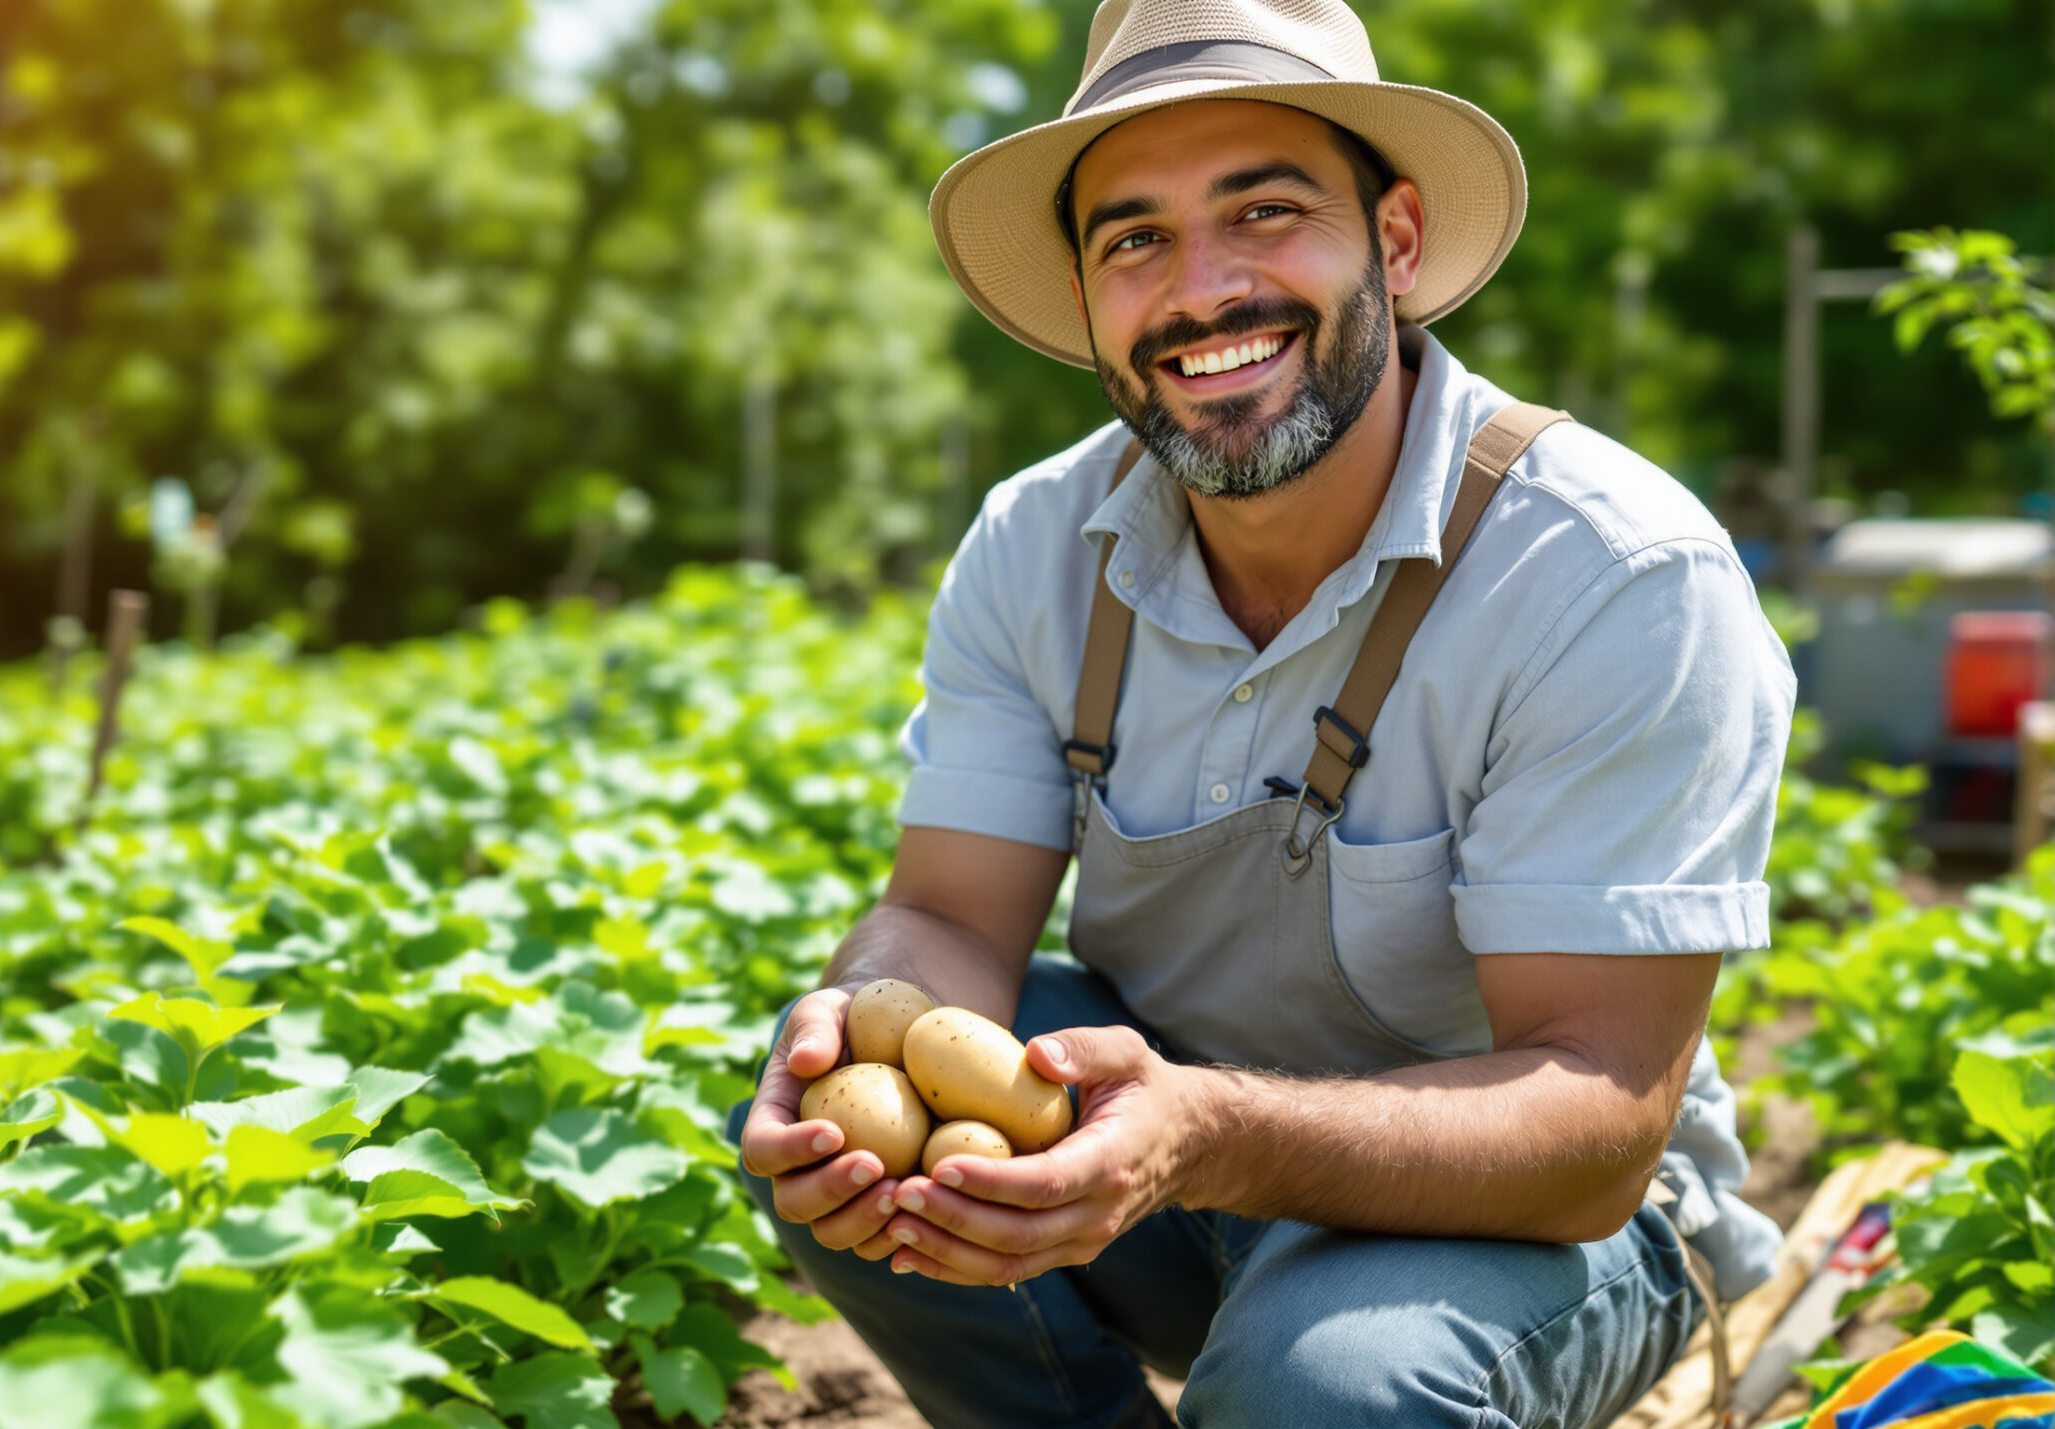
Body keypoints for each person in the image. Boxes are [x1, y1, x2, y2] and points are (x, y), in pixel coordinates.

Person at [725, 0, 1795, 1424]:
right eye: (1134, 239)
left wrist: (1208, 1136)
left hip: (1543, 1228)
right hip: (1179, 1168)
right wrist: (860, 1029)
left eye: (1266, 212)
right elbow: (949, 918)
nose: (1202, 290)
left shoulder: (1608, 575)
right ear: (1087, 292)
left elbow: (1595, 1127)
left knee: (1327, 1384)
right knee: (837, 1117)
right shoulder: (1037, 543)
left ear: (1395, 241)